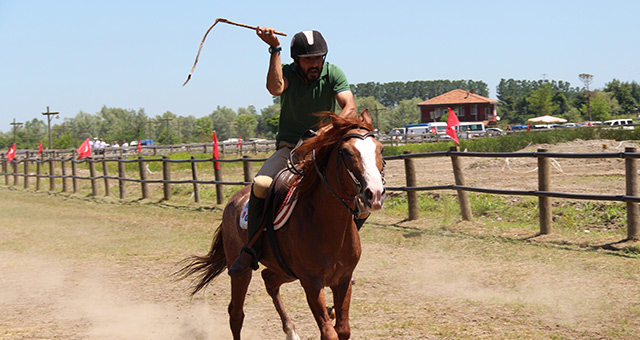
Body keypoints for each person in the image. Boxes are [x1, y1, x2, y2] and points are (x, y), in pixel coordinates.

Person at [228, 27, 360, 277]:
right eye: (308, 59)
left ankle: (343, 253)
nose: (314, 63)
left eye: (318, 57)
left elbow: (350, 108)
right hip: (289, 149)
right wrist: (274, 49)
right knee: (262, 185)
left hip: (323, 149)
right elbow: (275, 88)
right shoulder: (287, 72)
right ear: (296, 60)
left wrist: (325, 134)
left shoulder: (333, 73)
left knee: (361, 195)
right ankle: (251, 249)